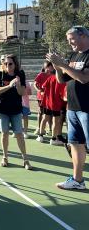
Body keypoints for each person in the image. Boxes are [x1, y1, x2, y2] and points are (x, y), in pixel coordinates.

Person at [47, 26, 89, 190]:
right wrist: (58, 67)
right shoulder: (74, 55)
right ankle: (78, 181)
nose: (69, 42)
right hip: (72, 108)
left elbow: (84, 78)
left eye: (72, 39)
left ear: (83, 36)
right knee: (76, 144)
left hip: (87, 109)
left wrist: (64, 65)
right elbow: (61, 80)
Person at [0, 54, 33, 170]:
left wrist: (19, 84)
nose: (7, 66)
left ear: (15, 64)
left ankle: (25, 159)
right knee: (4, 133)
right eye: (5, 63)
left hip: (15, 110)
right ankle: (5, 157)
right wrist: (9, 86)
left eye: (10, 63)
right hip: (2, 110)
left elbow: (22, 93)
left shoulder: (20, 74)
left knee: (19, 134)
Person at [37, 73, 66, 145]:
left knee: (45, 118)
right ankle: (53, 139)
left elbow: (43, 86)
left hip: (48, 103)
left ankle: (40, 136)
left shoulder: (51, 77)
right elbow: (63, 95)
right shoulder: (62, 81)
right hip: (56, 104)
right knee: (55, 122)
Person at [34, 61, 55, 135]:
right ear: (46, 67)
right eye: (50, 66)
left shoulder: (54, 75)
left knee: (49, 114)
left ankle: (50, 129)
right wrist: (40, 91)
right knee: (40, 112)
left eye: (52, 66)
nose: (52, 68)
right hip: (41, 98)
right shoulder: (41, 74)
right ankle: (39, 128)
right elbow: (35, 84)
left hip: (49, 98)